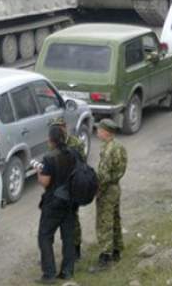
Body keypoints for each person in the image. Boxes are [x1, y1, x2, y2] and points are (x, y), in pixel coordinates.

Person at [36, 124, 78, 283]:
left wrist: (39, 173)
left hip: (53, 203)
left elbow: (45, 182)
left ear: (51, 140)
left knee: (44, 237)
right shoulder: (73, 153)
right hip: (71, 202)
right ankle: (67, 271)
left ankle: (49, 274)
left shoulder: (49, 158)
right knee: (68, 237)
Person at [89, 118, 127, 273]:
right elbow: (121, 169)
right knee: (115, 219)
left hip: (106, 190)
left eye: (99, 129)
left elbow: (103, 175)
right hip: (116, 187)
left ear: (106, 132)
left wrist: (97, 190)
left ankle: (105, 257)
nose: (97, 132)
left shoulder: (108, 149)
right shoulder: (119, 146)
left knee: (104, 222)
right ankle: (117, 250)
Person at [49, 117, 85, 259]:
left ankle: (76, 249)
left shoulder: (75, 143)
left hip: (72, 186)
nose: (58, 129)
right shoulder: (55, 143)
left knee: (72, 219)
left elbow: (80, 164)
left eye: (60, 126)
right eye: (55, 127)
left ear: (65, 126)